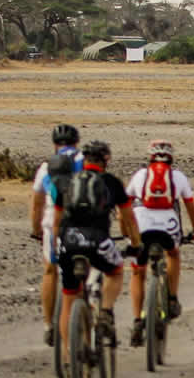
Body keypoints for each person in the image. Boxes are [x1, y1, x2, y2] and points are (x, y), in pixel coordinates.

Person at [52, 140, 140, 363]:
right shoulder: (111, 182)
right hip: (97, 240)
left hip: (69, 241)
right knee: (116, 270)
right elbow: (127, 217)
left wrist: (57, 244)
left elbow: (57, 220)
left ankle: (67, 355)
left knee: (69, 296)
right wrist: (136, 243)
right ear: (106, 160)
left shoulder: (68, 182)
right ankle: (105, 311)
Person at [126, 138, 194, 347]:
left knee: (138, 270)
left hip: (141, 225)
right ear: (171, 157)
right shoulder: (178, 177)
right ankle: (172, 298)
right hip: (168, 225)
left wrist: (126, 231)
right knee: (173, 254)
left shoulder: (140, 175)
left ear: (150, 157)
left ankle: (137, 320)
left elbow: (125, 204)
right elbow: (191, 209)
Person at [29, 123, 82, 347]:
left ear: (54, 145)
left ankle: (49, 325)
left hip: (53, 223)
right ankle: (86, 315)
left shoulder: (46, 167)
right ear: (76, 143)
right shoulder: (85, 162)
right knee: (85, 268)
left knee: (50, 270)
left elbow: (37, 203)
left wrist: (36, 230)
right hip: (82, 223)